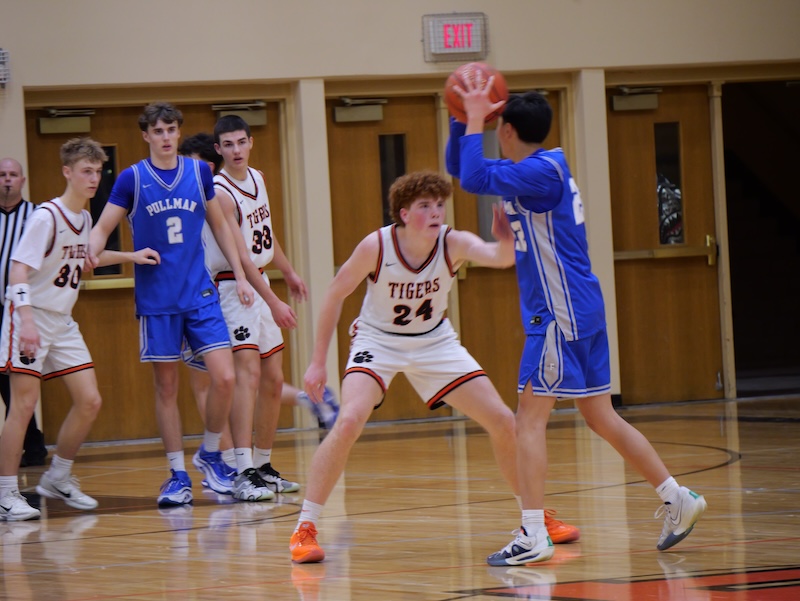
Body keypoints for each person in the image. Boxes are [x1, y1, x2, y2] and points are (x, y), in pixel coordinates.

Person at [446, 84, 707, 565]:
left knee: (528, 421)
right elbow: (463, 169)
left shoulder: (538, 172)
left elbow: (474, 177)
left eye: (495, 126)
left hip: (558, 314)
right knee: (600, 415)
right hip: (580, 307)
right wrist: (461, 116)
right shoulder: (543, 167)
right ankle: (677, 497)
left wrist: (474, 116)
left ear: (507, 130)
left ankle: (532, 533)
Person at [289, 170, 572, 564]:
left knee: (503, 421)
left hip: (435, 341)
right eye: (425, 206)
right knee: (349, 420)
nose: (436, 212)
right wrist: (317, 362)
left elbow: (500, 258)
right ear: (404, 214)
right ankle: (305, 528)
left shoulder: (452, 242)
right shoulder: (376, 246)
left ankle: (535, 519)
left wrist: (506, 238)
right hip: (378, 340)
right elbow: (335, 294)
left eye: (440, 204)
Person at [89, 102, 264, 507]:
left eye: (171, 130)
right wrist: (91, 248)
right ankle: (177, 474)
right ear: (146, 135)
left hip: (199, 293)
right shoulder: (132, 179)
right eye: (158, 131)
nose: (166, 137)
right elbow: (102, 227)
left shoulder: (199, 172)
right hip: (158, 300)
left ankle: (210, 453)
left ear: (178, 133)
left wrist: (240, 274)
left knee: (225, 377)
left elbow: (220, 225)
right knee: (166, 387)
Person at [0, 138, 160, 521]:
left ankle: (58, 477)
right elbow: (17, 270)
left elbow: (88, 257)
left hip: (62, 320)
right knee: (22, 407)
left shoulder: (85, 218)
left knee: (90, 400)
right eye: (86, 171)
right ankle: (5, 493)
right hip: (30, 315)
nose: (93, 178)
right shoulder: (46, 216)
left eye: (98, 171)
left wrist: (130, 256)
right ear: (67, 172)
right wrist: (25, 321)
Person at [177, 133, 339, 438]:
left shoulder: (214, 198)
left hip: (216, 293)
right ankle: (305, 399)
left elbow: (251, 244)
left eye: (189, 166)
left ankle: (223, 456)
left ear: (207, 167)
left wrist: (278, 278)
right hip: (227, 288)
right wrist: (286, 273)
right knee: (242, 377)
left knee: (215, 382)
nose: (183, 173)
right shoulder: (210, 196)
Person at [0, 158, 48, 467]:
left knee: (15, 381)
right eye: (2, 175)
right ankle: (32, 443)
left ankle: (29, 445)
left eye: (12, 175)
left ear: (23, 180)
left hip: (21, 309)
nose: (7, 179)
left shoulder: (36, 216)